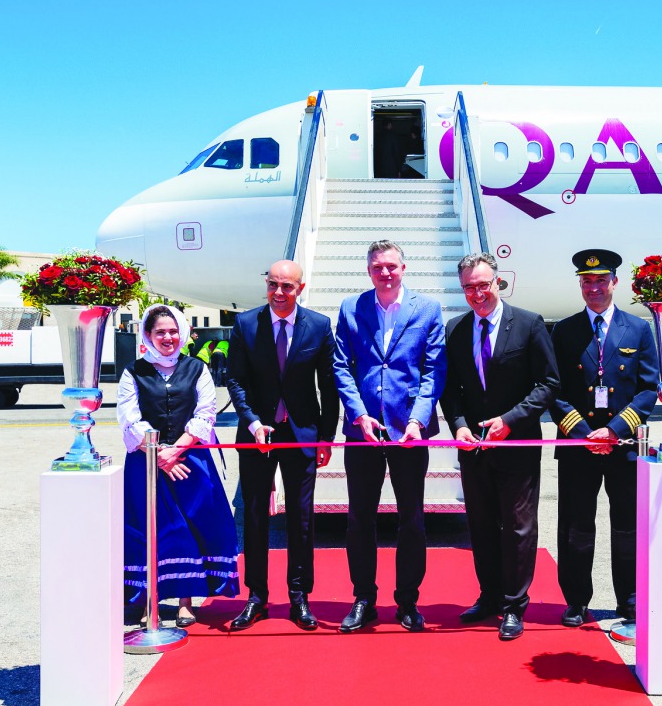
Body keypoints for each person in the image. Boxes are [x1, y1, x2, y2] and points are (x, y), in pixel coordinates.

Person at [441, 251, 560, 641]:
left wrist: (508, 421)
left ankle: (513, 605)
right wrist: (458, 425)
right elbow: (451, 390)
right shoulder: (456, 330)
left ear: (498, 282)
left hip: (516, 443)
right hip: (473, 447)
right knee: (481, 526)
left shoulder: (528, 324)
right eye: (469, 288)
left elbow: (547, 383)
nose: (478, 294)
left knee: (518, 528)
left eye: (483, 285)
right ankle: (489, 596)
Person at [333, 239, 446, 632]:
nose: (385, 273)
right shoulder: (352, 308)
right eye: (378, 267)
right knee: (359, 518)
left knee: (411, 519)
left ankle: (408, 601)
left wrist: (418, 419)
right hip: (362, 429)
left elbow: (433, 371)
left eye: (392, 266)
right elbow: (342, 367)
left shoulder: (428, 309)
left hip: (408, 432)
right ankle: (363, 597)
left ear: (403, 268)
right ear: (369, 270)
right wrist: (358, 414)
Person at [547, 249, 659, 628]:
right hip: (579, 446)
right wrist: (584, 432)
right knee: (576, 526)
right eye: (586, 281)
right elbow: (554, 389)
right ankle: (577, 600)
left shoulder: (638, 328)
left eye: (600, 280)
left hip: (622, 445)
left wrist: (614, 430)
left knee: (627, 526)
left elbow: (648, 389)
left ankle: (628, 599)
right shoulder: (563, 330)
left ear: (615, 282)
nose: (592, 287)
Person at [225, 261, 339, 631]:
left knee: (301, 519)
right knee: (255, 516)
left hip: (302, 434)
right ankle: (256, 597)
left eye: (286, 286)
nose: (278, 292)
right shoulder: (245, 325)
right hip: (257, 433)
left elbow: (330, 385)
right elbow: (236, 381)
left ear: (300, 288)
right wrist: (252, 421)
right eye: (273, 284)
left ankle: (299, 596)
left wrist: (326, 435)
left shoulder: (319, 327)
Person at [118, 304, 239, 627]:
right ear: (148, 335)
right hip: (146, 463)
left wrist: (176, 451)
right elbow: (129, 418)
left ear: (182, 332)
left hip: (190, 461)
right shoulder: (134, 372)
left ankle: (186, 602)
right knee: (149, 530)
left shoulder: (196, 369)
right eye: (160, 332)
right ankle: (149, 599)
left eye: (173, 331)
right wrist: (159, 455)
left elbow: (206, 414)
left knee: (191, 528)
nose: (168, 337)